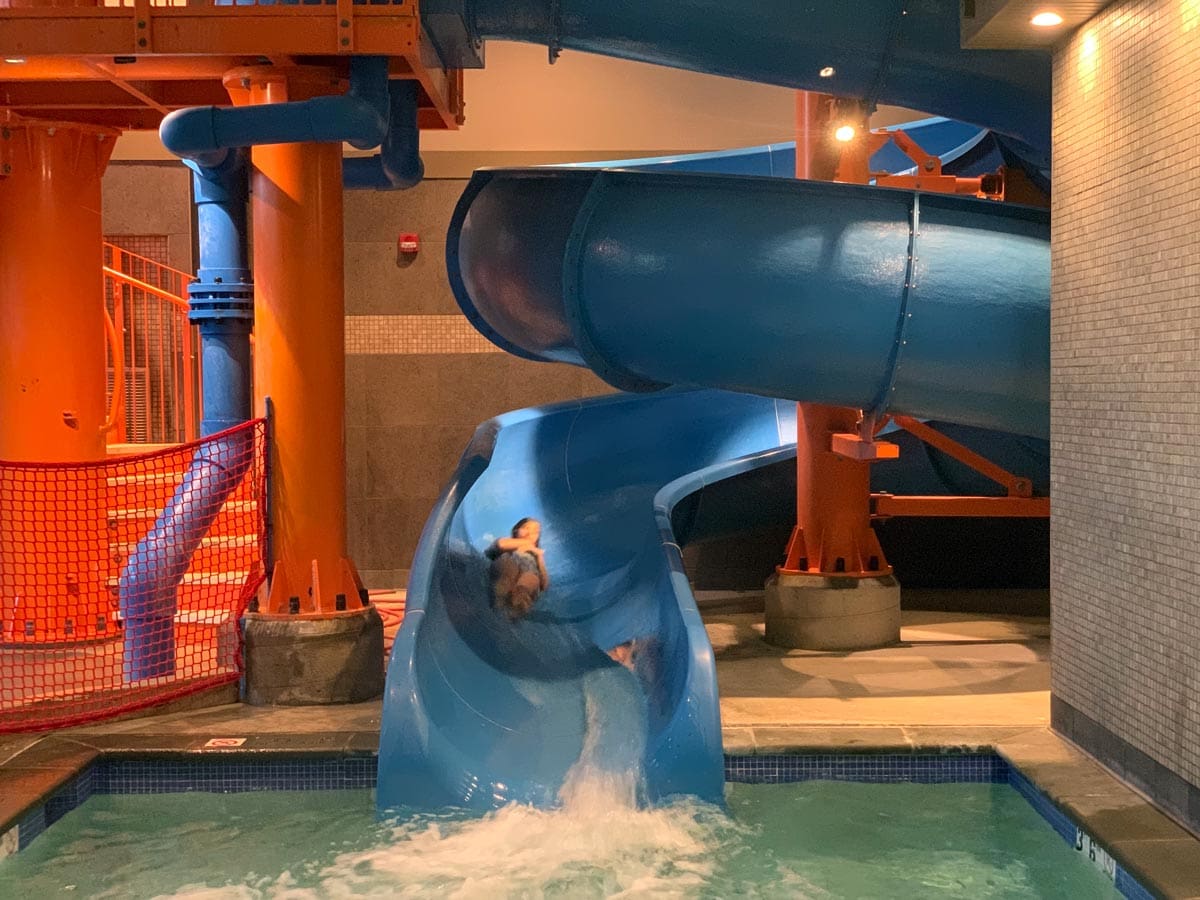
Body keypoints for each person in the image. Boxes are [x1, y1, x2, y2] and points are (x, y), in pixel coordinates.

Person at [486, 517, 549, 621]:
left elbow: (544, 584)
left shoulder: (535, 555)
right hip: (508, 563)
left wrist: (540, 558)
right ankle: (499, 600)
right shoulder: (507, 542)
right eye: (526, 528)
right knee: (507, 566)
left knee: (531, 580)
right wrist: (528, 544)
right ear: (516, 530)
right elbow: (500, 545)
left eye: (535, 532)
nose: (530, 533)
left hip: (529, 572)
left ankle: (516, 607)